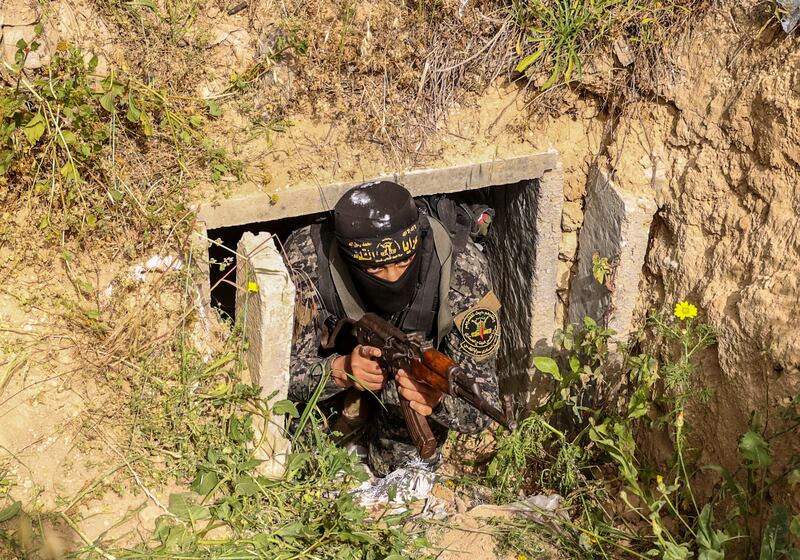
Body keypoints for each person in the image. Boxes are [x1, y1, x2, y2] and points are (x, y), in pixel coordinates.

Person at [283, 180, 502, 476]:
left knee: (403, 468)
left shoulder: (463, 273)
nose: (392, 277)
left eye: (404, 261)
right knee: (302, 452)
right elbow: (277, 376)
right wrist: (339, 370)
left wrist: (436, 400)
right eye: (375, 268)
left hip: (409, 380)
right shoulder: (308, 260)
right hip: (335, 377)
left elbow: (483, 405)